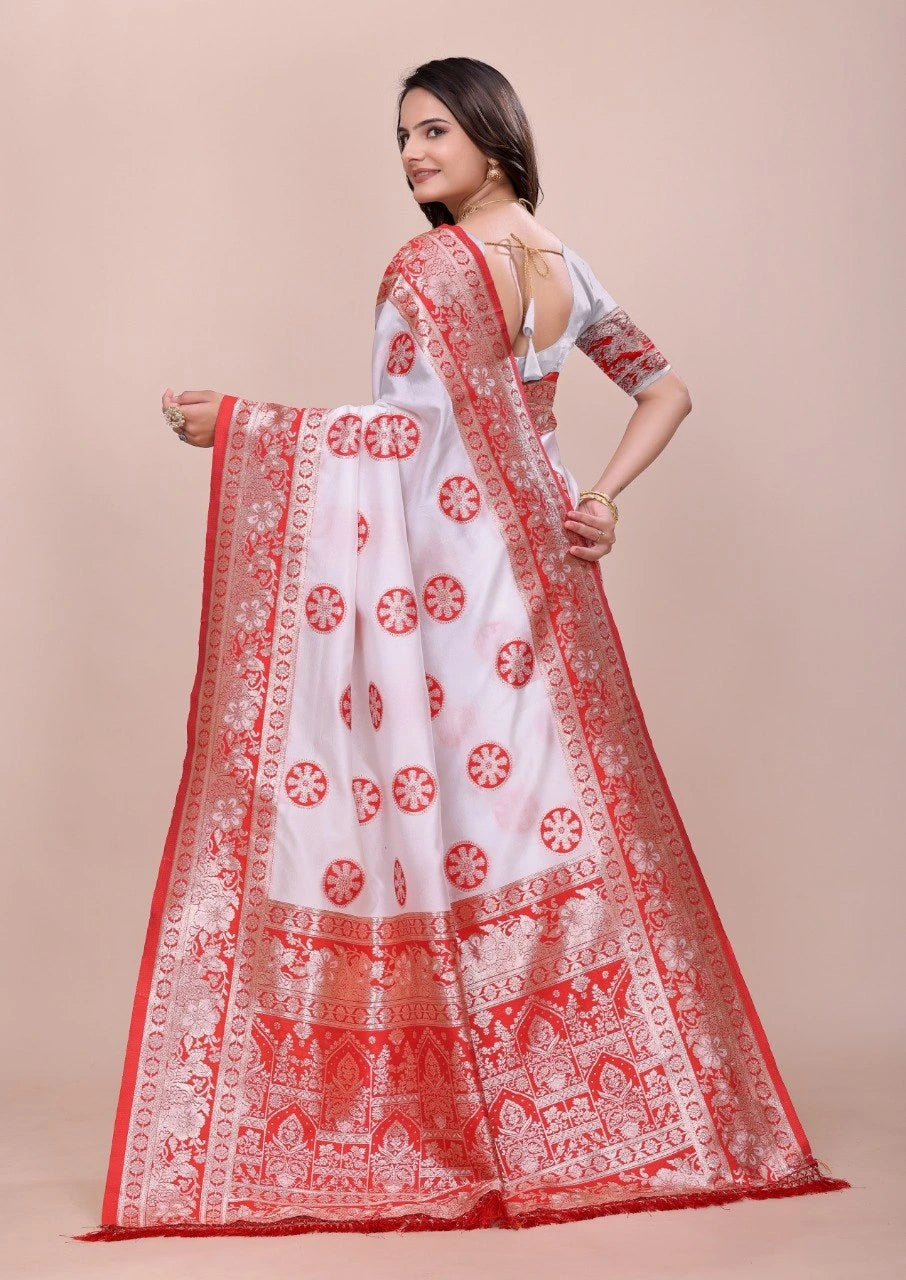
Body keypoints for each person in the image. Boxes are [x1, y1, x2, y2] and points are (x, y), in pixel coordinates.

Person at [75, 57, 849, 1241]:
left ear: (494, 132)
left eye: (435, 130)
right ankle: (588, 1112)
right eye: (403, 137)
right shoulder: (562, 264)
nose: (413, 156)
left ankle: (459, 1113)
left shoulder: (429, 270)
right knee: (541, 818)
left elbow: (398, 440)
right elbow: (666, 390)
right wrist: (601, 496)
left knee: (442, 823)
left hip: (446, 578)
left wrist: (240, 424)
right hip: (543, 572)